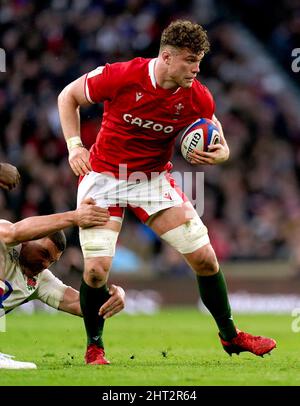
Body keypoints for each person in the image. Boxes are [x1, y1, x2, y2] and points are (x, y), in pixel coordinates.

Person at [58, 19, 276, 365]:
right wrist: (74, 146)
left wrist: (223, 153)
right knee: (96, 272)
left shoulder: (198, 96)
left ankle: (230, 336)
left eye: (199, 60)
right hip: (103, 176)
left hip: (153, 182)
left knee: (205, 259)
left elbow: (217, 135)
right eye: (190, 59)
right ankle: (94, 346)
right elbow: (67, 96)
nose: (196, 68)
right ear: (167, 57)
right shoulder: (121, 75)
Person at [0, 199, 125, 369]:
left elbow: (82, 306)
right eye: (44, 253)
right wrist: (74, 217)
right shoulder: (5, 239)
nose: (45, 264)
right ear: (29, 238)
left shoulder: (41, 280)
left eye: (51, 261)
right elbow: (13, 232)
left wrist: (113, 295)